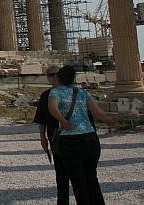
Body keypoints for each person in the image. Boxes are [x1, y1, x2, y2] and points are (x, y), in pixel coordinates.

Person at [48, 65, 116, 205]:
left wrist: (63, 121)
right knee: (92, 178)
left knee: (78, 181)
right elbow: (97, 112)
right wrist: (109, 121)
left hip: (71, 140)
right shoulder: (82, 92)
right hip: (90, 138)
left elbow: (52, 107)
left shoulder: (56, 92)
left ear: (59, 78)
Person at [34, 64, 69, 205]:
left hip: (75, 137)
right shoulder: (46, 96)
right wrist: (42, 138)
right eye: (51, 75)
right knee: (61, 174)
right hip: (56, 138)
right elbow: (41, 119)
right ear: (47, 78)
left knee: (80, 175)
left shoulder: (75, 92)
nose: (55, 77)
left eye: (57, 74)